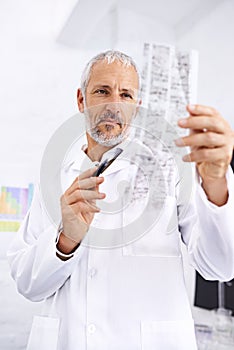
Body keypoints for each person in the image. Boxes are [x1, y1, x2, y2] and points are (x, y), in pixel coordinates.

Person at [8, 50, 234, 350]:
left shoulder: (171, 169)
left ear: (137, 107)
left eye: (126, 95)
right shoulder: (56, 176)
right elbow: (27, 284)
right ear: (81, 100)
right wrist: (65, 240)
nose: (114, 104)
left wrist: (215, 183)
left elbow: (220, 267)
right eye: (102, 91)